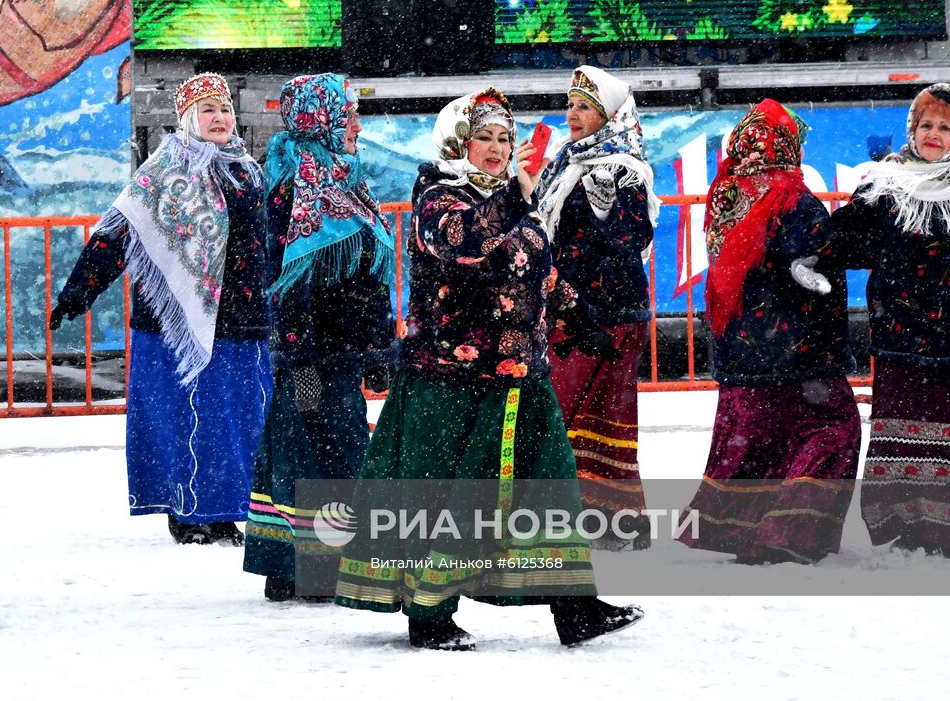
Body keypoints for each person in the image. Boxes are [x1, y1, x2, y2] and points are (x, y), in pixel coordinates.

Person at [333, 88, 642, 651]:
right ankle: (429, 616)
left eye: (505, 138)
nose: (498, 148)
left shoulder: (508, 200)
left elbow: (534, 268)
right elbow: (481, 245)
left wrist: (579, 312)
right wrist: (521, 202)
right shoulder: (438, 197)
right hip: (450, 377)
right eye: (485, 137)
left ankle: (576, 605)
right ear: (459, 142)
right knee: (445, 499)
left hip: (522, 371)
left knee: (552, 485)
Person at [51, 73, 273, 545]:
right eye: (208, 110)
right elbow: (119, 234)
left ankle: (220, 509)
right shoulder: (165, 170)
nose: (219, 118)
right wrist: (80, 290)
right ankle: (187, 511)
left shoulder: (247, 170)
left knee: (232, 419)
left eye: (225, 109)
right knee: (186, 418)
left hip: (239, 319)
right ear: (188, 118)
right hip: (174, 325)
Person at [683, 100, 860, 564]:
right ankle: (790, 530)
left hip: (742, 354)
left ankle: (733, 531)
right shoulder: (791, 198)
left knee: (755, 443)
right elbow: (817, 259)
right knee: (832, 430)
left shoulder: (727, 192)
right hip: (797, 352)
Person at [243, 73, 397, 601]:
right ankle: (301, 566)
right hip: (311, 358)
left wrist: (380, 349)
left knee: (333, 446)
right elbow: (284, 283)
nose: (356, 124)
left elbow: (371, 275)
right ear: (320, 117)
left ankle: (306, 565)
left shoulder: (347, 180)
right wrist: (300, 357)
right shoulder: (293, 187)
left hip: (344, 355)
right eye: (347, 113)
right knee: (309, 447)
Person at [829, 83, 950, 567]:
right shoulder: (885, 182)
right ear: (912, 129)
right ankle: (906, 527)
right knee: (903, 431)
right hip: (903, 334)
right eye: (926, 125)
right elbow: (847, 242)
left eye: (945, 127)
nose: (933, 134)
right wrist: (800, 246)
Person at [534, 67, 659, 543]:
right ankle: (584, 518)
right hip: (570, 309)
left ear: (608, 115)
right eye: (570, 104)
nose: (573, 114)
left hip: (612, 312)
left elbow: (633, 238)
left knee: (598, 415)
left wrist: (608, 209)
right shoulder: (566, 164)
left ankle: (613, 521)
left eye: (584, 106)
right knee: (568, 414)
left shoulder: (625, 168)